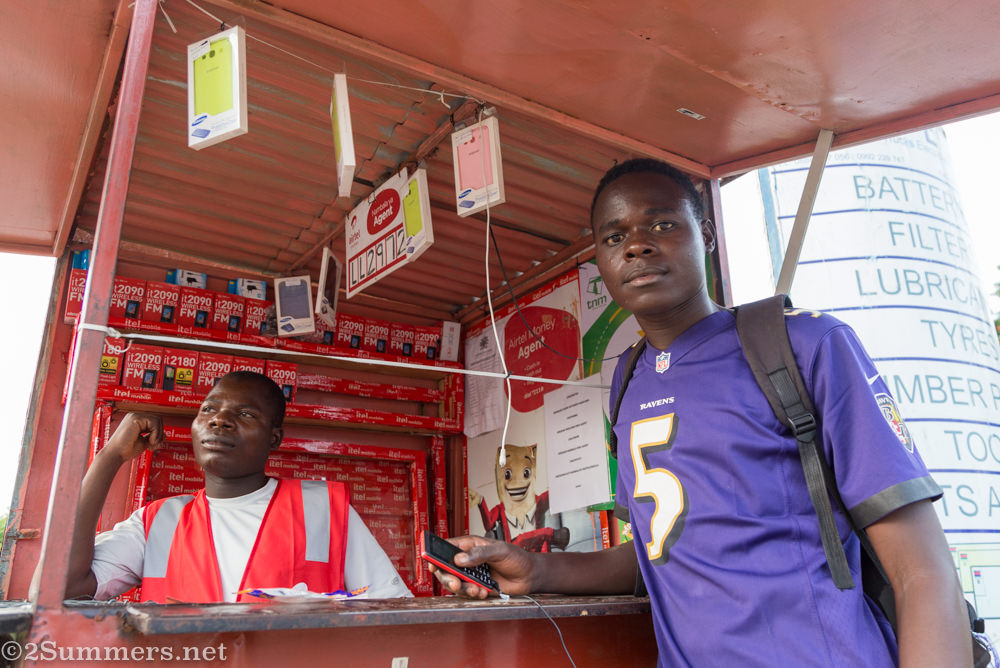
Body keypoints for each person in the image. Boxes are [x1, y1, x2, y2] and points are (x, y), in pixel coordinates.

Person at [431, 159, 972, 666]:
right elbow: (661, 547)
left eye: (662, 225)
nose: (636, 247)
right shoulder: (628, 380)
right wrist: (535, 570)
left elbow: (923, 572)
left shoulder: (803, 344)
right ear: (599, 258)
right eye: (614, 237)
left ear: (706, 236)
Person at [64, 370, 411, 602]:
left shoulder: (324, 510)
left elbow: (392, 610)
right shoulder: (156, 523)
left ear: (274, 438)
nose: (219, 420)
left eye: (245, 414)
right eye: (209, 409)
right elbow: (61, 588)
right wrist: (109, 456)